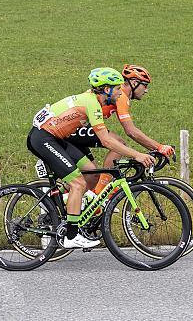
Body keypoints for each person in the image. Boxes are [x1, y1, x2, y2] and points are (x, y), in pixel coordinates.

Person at [26, 68, 155, 249]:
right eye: (117, 89)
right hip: (43, 138)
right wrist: (137, 155)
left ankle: (75, 204)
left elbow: (105, 138)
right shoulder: (92, 103)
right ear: (106, 89)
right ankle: (71, 235)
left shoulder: (93, 100)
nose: (120, 93)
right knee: (78, 183)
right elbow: (106, 140)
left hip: (57, 138)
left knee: (91, 172)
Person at [66, 64, 175, 194]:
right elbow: (131, 131)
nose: (146, 90)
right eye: (145, 85)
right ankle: (101, 192)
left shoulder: (119, 95)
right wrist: (159, 147)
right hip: (72, 127)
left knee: (92, 174)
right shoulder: (121, 96)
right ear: (134, 83)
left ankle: (89, 198)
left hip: (80, 127)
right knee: (119, 143)